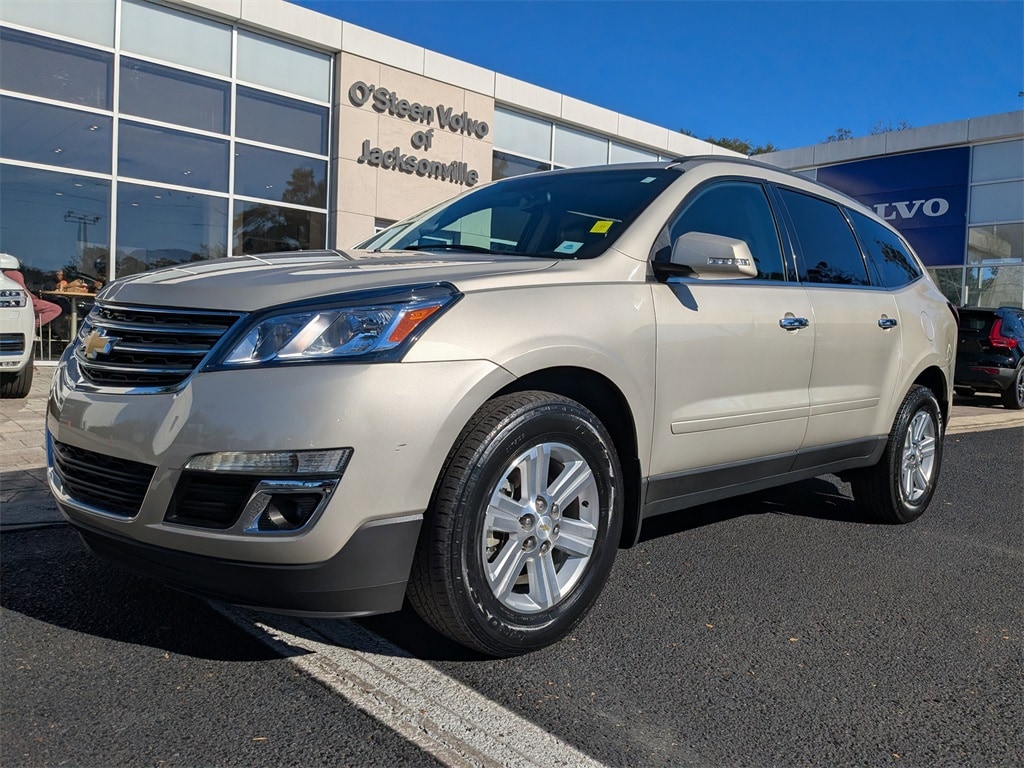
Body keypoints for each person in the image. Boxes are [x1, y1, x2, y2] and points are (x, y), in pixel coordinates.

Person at [2, 259, 63, 328]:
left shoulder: (16, 273)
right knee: (55, 309)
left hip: (22, 301)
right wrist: (35, 296)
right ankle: (30, 327)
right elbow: (23, 291)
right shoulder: (13, 273)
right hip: (27, 301)